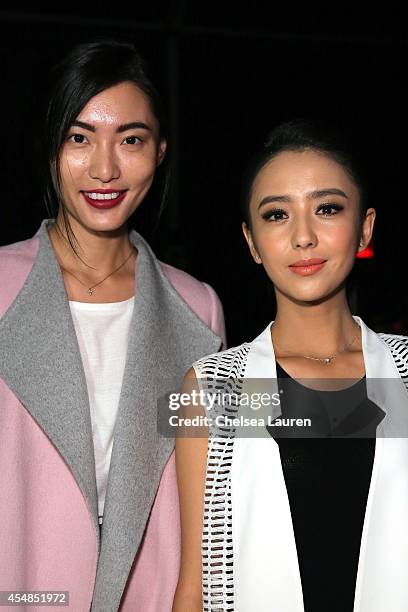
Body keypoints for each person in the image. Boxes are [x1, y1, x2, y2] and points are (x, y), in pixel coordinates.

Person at [0, 40, 226, 612]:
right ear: (49, 148)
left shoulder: (197, 306)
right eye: (79, 138)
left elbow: (214, 491)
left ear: (161, 151)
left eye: (131, 140)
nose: (105, 168)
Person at [173, 119, 408, 612]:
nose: (304, 236)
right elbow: (196, 586)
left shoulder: (404, 369)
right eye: (277, 215)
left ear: (364, 227)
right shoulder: (215, 389)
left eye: (326, 208)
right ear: (252, 242)